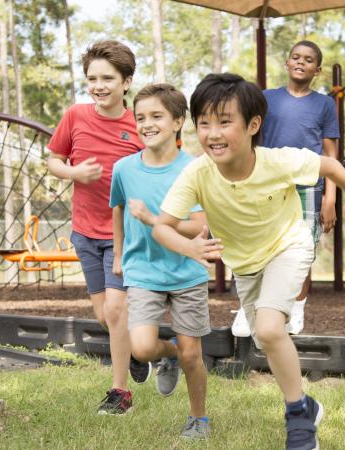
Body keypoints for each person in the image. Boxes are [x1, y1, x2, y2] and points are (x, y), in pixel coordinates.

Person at [153, 73, 345, 450]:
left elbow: (334, 168)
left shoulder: (278, 161)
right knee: (264, 339)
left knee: (272, 329)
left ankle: (299, 424)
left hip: (289, 246)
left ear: (253, 125)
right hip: (246, 264)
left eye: (225, 121)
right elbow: (163, 227)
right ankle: (307, 404)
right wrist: (188, 247)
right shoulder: (198, 173)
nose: (212, 133)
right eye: (204, 123)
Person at [47, 40, 150, 415]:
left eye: (108, 78)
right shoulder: (75, 115)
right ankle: (138, 354)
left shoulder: (141, 124)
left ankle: (119, 392)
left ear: (127, 82)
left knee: (116, 310)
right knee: (103, 315)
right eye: (92, 78)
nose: (98, 85)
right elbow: (54, 159)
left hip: (126, 234)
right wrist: (74, 172)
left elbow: (162, 166)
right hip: (85, 230)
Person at [109, 83, 211, 439]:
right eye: (140, 117)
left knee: (193, 355)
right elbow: (118, 210)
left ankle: (199, 419)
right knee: (141, 347)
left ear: (178, 122)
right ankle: (167, 356)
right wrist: (119, 254)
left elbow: (199, 226)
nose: (146, 124)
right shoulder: (123, 168)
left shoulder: (195, 168)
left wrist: (155, 220)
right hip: (143, 271)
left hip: (187, 272)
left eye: (156, 116)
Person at [231, 40, 340, 337]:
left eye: (308, 59)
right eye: (296, 57)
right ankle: (248, 307)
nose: (301, 62)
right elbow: (248, 137)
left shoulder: (325, 104)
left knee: (301, 251)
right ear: (287, 63)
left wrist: (330, 197)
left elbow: (330, 155)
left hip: (307, 187)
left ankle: (296, 310)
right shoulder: (266, 99)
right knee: (257, 246)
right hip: (267, 185)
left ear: (317, 70)